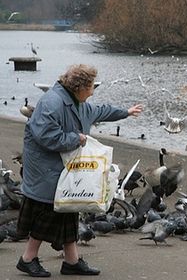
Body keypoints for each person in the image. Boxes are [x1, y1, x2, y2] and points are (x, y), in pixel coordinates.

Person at [16, 64, 143, 277]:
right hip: (45, 170)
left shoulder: (78, 103)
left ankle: (71, 261)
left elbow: (100, 110)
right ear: (79, 87)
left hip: (63, 169)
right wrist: (77, 138)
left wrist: (126, 113)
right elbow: (46, 136)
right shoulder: (52, 102)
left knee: (68, 210)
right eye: (91, 87)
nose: (93, 91)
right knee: (47, 213)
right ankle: (27, 259)